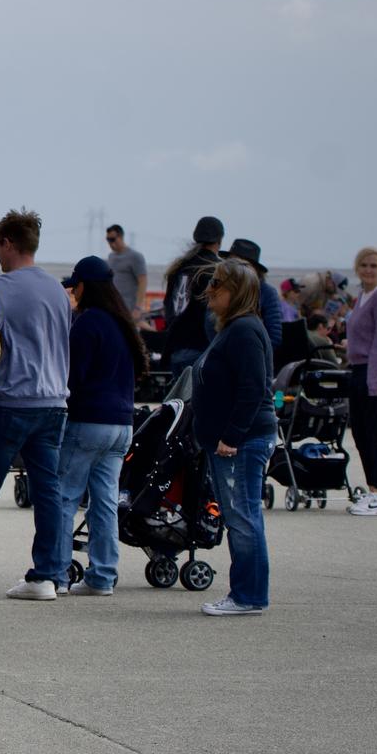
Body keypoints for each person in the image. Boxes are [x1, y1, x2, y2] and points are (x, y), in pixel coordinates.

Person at [0, 209, 71, 601]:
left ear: (7, 244)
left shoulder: (2, 290)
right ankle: (47, 574)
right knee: (48, 491)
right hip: (55, 401)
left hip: (13, 401)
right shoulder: (58, 290)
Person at [56, 257, 146, 596]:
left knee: (65, 497)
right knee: (105, 501)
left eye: (74, 285)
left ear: (83, 287)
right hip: (122, 424)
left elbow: (72, 376)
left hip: (88, 421)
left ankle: (59, 573)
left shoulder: (88, 323)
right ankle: (103, 575)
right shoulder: (122, 322)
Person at [194, 258, 276, 615]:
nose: (210, 291)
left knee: (243, 518)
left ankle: (248, 595)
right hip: (231, 440)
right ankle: (248, 592)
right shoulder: (234, 329)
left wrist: (232, 435)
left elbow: (254, 387)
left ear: (237, 292)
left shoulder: (244, 331)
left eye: (218, 285)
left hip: (241, 442)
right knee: (241, 517)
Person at [344, 247, 377, 517]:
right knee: (361, 432)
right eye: (364, 265)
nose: (368, 270)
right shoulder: (362, 297)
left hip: (376, 371)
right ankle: (372, 487)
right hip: (358, 369)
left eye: (373, 265)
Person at [161, 217, 224, 370]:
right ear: (220, 240)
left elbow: (168, 307)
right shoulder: (214, 270)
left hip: (174, 348)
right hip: (200, 349)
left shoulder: (178, 268)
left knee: (178, 394)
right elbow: (212, 316)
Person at [221, 240, 283, 350]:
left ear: (252, 268)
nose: (232, 268)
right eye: (230, 262)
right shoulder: (221, 288)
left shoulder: (267, 292)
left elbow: (274, 336)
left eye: (238, 264)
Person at [104, 225, 147, 320]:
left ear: (121, 237)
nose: (110, 243)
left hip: (130, 308)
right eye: (108, 240)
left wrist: (138, 308)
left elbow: (143, 282)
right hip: (114, 307)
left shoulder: (135, 256)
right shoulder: (111, 257)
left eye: (112, 239)